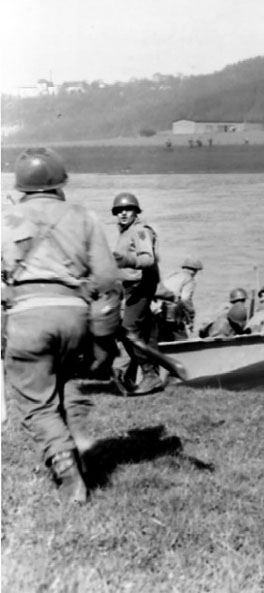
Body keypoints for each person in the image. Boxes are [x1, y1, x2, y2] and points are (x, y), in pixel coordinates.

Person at [2, 147, 122, 503]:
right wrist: (104, 343)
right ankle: (79, 437)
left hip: (26, 316)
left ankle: (68, 471)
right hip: (74, 316)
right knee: (65, 379)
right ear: (60, 181)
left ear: (21, 184)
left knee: (36, 401)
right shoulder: (82, 216)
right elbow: (106, 281)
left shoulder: (5, 218)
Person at [111, 191, 164, 395]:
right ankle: (142, 377)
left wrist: (127, 260)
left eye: (128, 209)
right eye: (119, 211)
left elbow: (148, 259)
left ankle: (150, 375)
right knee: (146, 334)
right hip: (130, 289)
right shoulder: (125, 232)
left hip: (141, 287)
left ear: (136, 212)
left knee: (128, 330)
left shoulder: (140, 230)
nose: (123, 213)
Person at [154, 257, 203, 341]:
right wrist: (191, 314)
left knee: (162, 338)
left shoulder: (172, 275)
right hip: (173, 313)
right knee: (181, 339)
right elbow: (185, 299)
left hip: (159, 311)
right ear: (194, 270)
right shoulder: (189, 279)